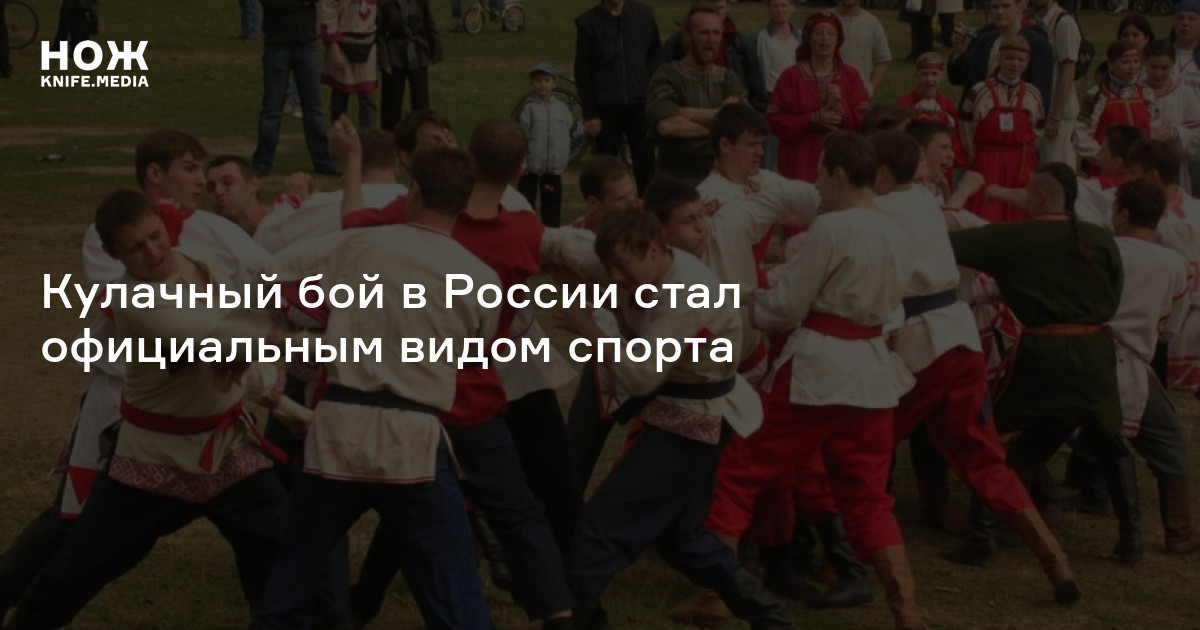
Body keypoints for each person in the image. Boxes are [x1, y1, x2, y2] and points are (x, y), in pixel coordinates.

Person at [4, 191, 296, 630]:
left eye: (156, 236)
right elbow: (210, 338)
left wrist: (285, 404)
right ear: (114, 255)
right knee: (80, 567)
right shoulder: (133, 302)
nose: (154, 251)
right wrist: (292, 343)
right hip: (153, 458)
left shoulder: (204, 265)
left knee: (279, 548)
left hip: (225, 449)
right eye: (137, 247)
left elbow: (232, 355)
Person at [250, 144, 499, 630]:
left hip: (341, 427)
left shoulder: (359, 245)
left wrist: (304, 332)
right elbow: (474, 349)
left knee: (293, 574)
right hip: (412, 436)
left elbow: (269, 271)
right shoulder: (480, 278)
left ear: (414, 190)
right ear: (465, 202)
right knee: (453, 587)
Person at [702, 131, 932, 630]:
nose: (816, 184)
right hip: (872, 375)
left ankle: (715, 593)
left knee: (740, 469)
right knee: (868, 498)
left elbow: (786, 306)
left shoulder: (832, 227)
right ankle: (907, 609)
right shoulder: (896, 231)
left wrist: (749, 304)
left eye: (821, 173)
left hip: (819, 368)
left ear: (840, 174)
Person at [555, 211, 794, 630]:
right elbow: (557, 243)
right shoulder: (631, 260)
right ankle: (773, 621)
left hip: (694, 419)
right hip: (682, 410)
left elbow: (641, 375)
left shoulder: (690, 292)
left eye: (622, 267)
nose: (615, 278)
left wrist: (594, 332)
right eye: (609, 268)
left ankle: (579, 621)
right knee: (681, 537)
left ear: (653, 249)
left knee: (601, 528)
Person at [870, 131, 1081, 604]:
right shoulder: (926, 202)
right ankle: (1055, 561)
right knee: (985, 459)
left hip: (921, 345)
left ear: (881, 171)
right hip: (960, 340)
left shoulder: (874, 214)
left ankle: (859, 569)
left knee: (868, 445)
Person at [950, 163, 1141, 565]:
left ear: (1040, 196)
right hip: (1094, 353)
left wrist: (953, 199)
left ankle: (983, 534)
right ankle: (1131, 539)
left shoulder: (1013, 238)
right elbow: (1114, 294)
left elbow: (944, 243)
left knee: (1001, 436)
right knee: (1110, 442)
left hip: (1044, 353)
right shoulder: (1099, 237)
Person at [1063, 179, 1198, 555]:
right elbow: (1169, 327)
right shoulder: (1175, 264)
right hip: (1127, 360)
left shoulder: (1097, 250)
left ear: (1123, 213)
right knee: (1166, 440)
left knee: (1038, 433)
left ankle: (1012, 510)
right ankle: (1178, 531)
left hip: (1080, 354)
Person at [647, 5, 747, 183]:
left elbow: (743, 125)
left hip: (720, 176)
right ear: (688, 36)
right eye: (704, 33)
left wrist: (684, 112)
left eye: (716, 33)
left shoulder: (728, 78)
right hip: (675, 177)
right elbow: (667, 126)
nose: (711, 40)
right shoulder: (667, 75)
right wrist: (720, 120)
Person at [768, 11, 869, 183]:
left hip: (842, 163)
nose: (825, 39)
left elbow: (864, 120)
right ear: (808, 38)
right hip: (801, 163)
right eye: (819, 33)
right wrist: (813, 119)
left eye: (831, 34)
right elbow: (774, 120)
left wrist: (840, 106)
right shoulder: (791, 76)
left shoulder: (850, 76)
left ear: (838, 39)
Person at [574, 0, 662, 195]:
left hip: (640, 102)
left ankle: (647, 205)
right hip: (606, 105)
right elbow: (583, 71)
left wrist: (648, 81)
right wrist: (590, 113)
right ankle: (606, 206)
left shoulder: (644, 14)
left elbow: (656, 53)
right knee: (605, 165)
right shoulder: (588, 22)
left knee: (646, 160)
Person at [959, 34, 1045, 223]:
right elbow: (966, 126)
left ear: (1028, 62)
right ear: (999, 58)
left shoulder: (1033, 94)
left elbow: (1038, 130)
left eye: (1021, 59)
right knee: (986, 212)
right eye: (1009, 58)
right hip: (988, 162)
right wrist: (974, 154)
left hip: (1022, 165)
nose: (1015, 64)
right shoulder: (979, 91)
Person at [252, 0, 339, 177]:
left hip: (307, 45)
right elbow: (272, 4)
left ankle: (322, 161)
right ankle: (262, 162)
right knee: (271, 110)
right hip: (277, 46)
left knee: (313, 109)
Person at [661, 0, 770, 113]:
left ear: (728, 6)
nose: (711, 39)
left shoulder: (735, 54)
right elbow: (663, 114)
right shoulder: (673, 57)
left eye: (719, 8)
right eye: (704, 33)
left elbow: (754, 100)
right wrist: (718, 114)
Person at [947, 0, 1053, 110]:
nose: (999, 12)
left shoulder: (1038, 45)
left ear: (1019, 6)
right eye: (995, 7)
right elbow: (959, 79)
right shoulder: (983, 40)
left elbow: (1041, 98)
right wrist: (959, 52)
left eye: (1005, 6)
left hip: (1018, 116)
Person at [1076, 41, 1159, 177]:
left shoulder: (1146, 93)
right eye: (1125, 62)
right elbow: (1081, 134)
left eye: (1135, 61)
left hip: (1139, 169)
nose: (1132, 67)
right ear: (1111, 64)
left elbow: (1154, 127)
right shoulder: (1098, 94)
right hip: (1105, 171)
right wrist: (1104, 158)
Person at [516, 62, 572, 227]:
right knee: (525, 203)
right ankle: (525, 230)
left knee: (552, 204)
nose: (542, 84)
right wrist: (522, 161)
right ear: (532, 84)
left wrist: (564, 156)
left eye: (547, 80)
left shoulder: (562, 108)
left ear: (554, 83)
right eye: (538, 80)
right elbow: (520, 136)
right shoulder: (528, 108)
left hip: (552, 169)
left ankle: (551, 232)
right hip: (530, 168)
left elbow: (571, 130)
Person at [376, 0, 442, 132]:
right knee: (391, 105)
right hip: (394, 55)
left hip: (417, 54)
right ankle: (389, 138)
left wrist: (436, 50)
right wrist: (384, 60)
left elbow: (430, 24)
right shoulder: (385, 3)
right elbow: (379, 33)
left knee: (421, 104)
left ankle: (422, 135)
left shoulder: (420, 2)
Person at [1030, 0, 1082, 166]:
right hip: (1040, 112)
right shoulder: (1035, 21)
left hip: (1059, 114)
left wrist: (1055, 117)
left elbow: (1068, 71)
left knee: (1056, 170)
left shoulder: (1065, 23)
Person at [1145, 39, 1200, 193]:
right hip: (1141, 167)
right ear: (1145, 63)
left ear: (1173, 66)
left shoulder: (1184, 94)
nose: (1158, 73)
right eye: (1153, 67)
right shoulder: (1135, 92)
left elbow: (1197, 132)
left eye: (1164, 68)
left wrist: (1174, 133)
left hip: (1173, 170)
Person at [752, 0, 802, 169]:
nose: (780, 9)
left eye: (784, 5)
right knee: (767, 155)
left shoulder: (801, 37)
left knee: (795, 154)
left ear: (792, 7)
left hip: (796, 102)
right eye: (775, 5)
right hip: (771, 100)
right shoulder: (760, 38)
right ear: (769, 8)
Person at [896, 54, 967, 170]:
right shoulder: (904, 104)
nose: (929, 79)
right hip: (914, 163)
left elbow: (955, 135)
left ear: (942, 76)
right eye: (924, 74)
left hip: (942, 164)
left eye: (934, 74)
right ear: (916, 75)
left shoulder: (947, 105)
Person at [319, 0, 378, 129]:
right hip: (343, 45)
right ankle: (338, 135)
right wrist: (334, 49)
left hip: (367, 44)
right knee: (340, 97)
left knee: (367, 98)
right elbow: (327, 14)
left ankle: (368, 138)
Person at [832, 0, 891, 96]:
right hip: (828, 94)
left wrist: (870, 88)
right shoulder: (825, 20)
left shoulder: (872, 23)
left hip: (859, 94)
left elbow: (882, 60)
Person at [207, 155, 273, 235]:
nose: (218, 192)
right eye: (211, 187)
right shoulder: (211, 235)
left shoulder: (283, 223)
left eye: (227, 182)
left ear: (253, 185)